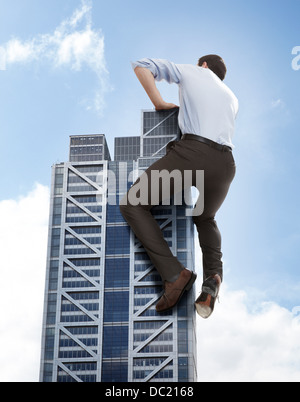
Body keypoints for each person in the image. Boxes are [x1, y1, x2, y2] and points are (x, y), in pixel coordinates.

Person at [120, 55, 238, 319]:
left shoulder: (194, 72)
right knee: (205, 217)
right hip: (225, 164)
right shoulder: (232, 98)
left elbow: (141, 65)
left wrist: (159, 102)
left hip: (193, 153)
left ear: (204, 65)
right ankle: (213, 276)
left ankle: (174, 275)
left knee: (133, 204)